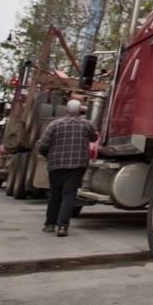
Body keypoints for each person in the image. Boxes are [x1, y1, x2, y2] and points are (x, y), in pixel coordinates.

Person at [36, 99, 96, 237]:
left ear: (66, 110)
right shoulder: (86, 125)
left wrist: (47, 156)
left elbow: (43, 145)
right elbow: (94, 138)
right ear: (80, 110)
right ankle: (63, 226)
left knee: (55, 195)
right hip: (77, 166)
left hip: (56, 165)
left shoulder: (54, 124)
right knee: (69, 195)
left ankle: (50, 224)